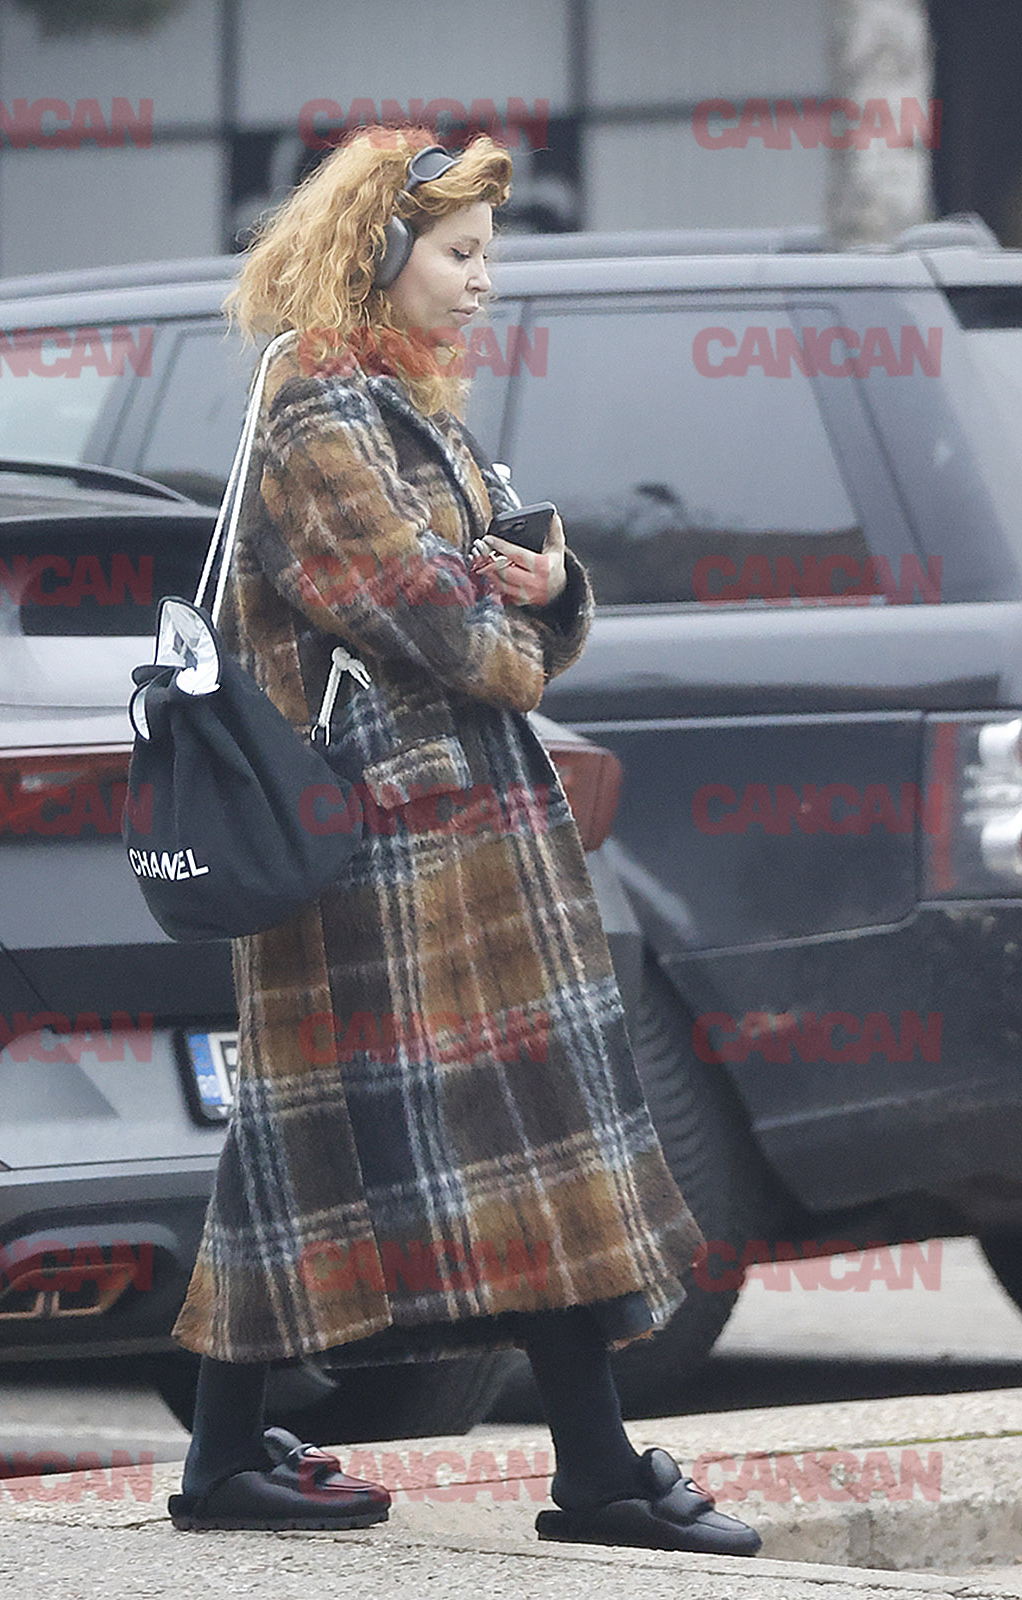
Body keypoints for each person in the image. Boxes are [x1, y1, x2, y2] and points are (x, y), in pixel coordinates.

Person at [166, 126, 761, 1558]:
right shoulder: (319, 408)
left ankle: (230, 1454)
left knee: (324, 1139)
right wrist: (515, 633)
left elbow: (488, 581)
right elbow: (423, 614)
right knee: (505, 1134)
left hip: (448, 835)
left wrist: (549, 584)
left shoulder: (398, 401)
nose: (485, 279)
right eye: (459, 251)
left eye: (490, 253)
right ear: (377, 253)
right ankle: (597, 1473)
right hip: (386, 845)